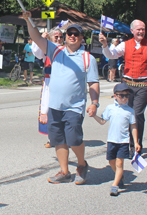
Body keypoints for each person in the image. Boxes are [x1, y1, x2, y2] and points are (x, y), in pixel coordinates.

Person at [23, 11, 100, 185]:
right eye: (69, 34)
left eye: (76, 34)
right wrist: (28, 19)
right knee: (58, 139)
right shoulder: (55, 50)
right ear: (65, 37)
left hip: (74, 107)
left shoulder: (88, 58)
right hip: (55, 106)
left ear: (81, 38)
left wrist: (94, 103)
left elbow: (93, 83)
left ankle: (81, 165)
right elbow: (36, 37)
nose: (72, 36)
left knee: (73, 139)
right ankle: (64, 171)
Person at [99, 20, 147, 155]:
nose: (141, 32)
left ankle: (135, 145)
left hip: (144, 84)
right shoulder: (125, 45)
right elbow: (111, 55)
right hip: (128, 84)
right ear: (132, 31)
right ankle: (126, 143)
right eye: (138, 29)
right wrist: (104, 45)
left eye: (143, 29)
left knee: (137, 113)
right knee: (127, 113)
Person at [93, 82, 140, 196]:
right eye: (121, 96)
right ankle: (120, 176)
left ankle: (115, 185)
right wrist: (94, 115)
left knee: (119, 163)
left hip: (123, 141)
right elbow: (103, 121)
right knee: (111, 162)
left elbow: (133, 126)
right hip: (111, 140)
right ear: (115, 96)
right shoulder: (110, 108)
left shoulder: (130, 111)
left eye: (127, 96)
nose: (125, 98)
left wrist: (136, 141)